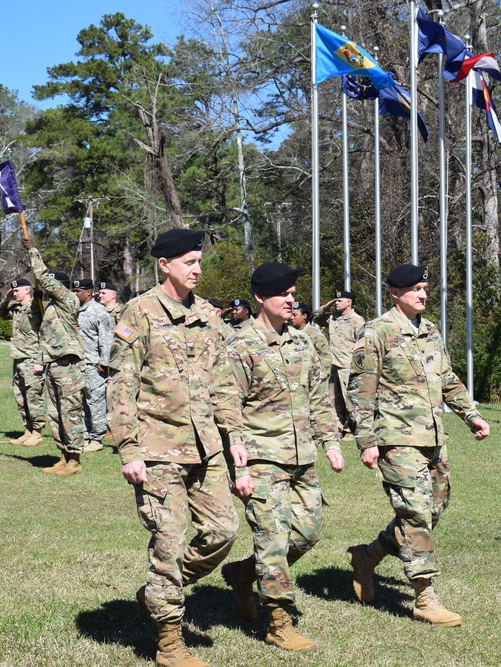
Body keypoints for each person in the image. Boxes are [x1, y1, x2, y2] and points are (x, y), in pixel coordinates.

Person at [107, 228, 246, 667]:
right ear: (164, 265)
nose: (198, 269)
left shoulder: (208, 314)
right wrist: (128, 448)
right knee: (169, 542)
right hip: (157, 449)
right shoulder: (140, 312)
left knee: (224, 531)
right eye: (190, 262)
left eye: (199, 261)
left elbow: (224, 384)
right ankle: (168, 640)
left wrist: (235, 438)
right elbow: (120, 383)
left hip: (206, 449)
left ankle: (157, 591)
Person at [347, 264, 489, 627]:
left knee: (433, 509)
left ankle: (368, 555)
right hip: (396, 438)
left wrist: (471, 416)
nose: (423, 294)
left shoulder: (429, 330)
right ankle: (424, 596)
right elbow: (361, 391)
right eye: (415, 289)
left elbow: (447, 379)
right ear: (395, 293)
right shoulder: (377, 332)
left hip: (433, 437)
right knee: (415, 512)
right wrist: (366, 441)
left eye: (425, 288)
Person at [222, 263, 344, 652]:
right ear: (260, 298)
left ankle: (243, 574)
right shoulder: (241, 346)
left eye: (293, 293)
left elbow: (319, 399)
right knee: (272, 540)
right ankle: (278, 622)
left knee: (308, 533)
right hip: (261, 456)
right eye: (283, 294)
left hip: (302, 455)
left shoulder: (303, 342)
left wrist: (331, 441)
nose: (292, 299)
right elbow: (227, 405)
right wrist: (238, 459)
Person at [22, 238, 87, 476]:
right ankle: (64, 455)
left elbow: (44, 279)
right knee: (55, 414)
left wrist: (33, 253)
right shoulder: (50, 308)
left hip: (68, 365)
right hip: (52, 364)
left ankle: (75, 460)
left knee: (70, 413)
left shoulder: (69, 300)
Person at [0, 278, 45, 448]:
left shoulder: (36, 307)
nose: (15, 292)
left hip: (32, 358)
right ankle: (28, 430)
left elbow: (44, 336)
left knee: (33, 396)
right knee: (20, 396)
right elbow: (1, 315)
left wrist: (40, 361)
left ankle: (38, 433)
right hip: (18, 357)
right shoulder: (16, 309)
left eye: (17, 290)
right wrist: (6, 299)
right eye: (13, 290)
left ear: (27, 290)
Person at [314, 290, 366, 439]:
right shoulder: (332, 318)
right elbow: (315, 317)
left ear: (349, 302)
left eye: (340, 300)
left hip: (347, 364)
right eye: (335, 300)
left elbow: (362, 343)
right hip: (333, 364)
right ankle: (338, 427)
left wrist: (359, 366)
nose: (336, 302)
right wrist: (326, 306)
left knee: (348, 398)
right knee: (333, 399)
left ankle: (351, 430)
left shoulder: (357, 320)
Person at [73, 278, 113, 453]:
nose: (75, 294)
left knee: (95, 401)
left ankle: (97, 437)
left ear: (88, 292)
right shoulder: (76, 310)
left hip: (94, 364)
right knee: (82, 401)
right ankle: (86, 434)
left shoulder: (99, 312)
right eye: (74, 291)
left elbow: (107, 339)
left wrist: (104, 363)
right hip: (79, 363)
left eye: (78, 291)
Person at [291, 301, 331, 369]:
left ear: (304, 316)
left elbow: (325, 358)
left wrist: (321, 376)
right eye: (291, 315)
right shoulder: (289, 332)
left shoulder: (315, 334)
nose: (291, 318)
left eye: (295, 315)